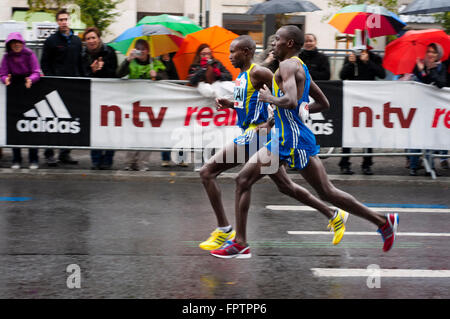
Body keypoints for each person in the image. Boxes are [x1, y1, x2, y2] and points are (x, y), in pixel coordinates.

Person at [210, 26, 398, 259]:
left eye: (277, 39)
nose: (273, 43)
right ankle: (382, 221)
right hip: (285, 137)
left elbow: (288, 100)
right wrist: (286, 113)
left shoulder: (288, 65)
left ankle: (240, 243)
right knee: (254, 181)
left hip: (292, 140)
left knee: (318, 191)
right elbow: (322, 103)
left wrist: (271, 99)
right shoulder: (300, 66)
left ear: (289, 44)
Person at [198, 35, 273, 251]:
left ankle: (225, 230)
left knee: (207, 172)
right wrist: (230, 103)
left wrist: (270, 122)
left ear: (248, 52)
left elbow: (286, 98)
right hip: (253, 133)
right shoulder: (241, 75)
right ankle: (333, 213)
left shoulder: (259, 71)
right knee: (287, 187)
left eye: (234, 52)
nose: (230, 56)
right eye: (229, 52)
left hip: (257, 134)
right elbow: (247, 103)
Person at [117, 39, 167, 171]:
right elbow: (119, 74)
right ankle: (129, 162)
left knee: (147, 135)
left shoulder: (155, 63)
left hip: (150, 105)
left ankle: (142, 163)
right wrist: (127, 60)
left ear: (148, 50)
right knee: (132, 134)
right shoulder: (131, 62)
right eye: (138, 49)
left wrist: (157, 75)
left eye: (143, 49)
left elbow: (167, 78)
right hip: (133, 104)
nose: (141, 52)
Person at [40, 8, 82, 166]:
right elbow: (44, 62)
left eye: (66, 19)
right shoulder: (51, 41)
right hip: (55, 87)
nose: (64, 22)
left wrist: (81, 78)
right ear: (57, 22)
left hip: (73, 87)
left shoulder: (77, 40)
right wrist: (52, 79)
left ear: (69, 20)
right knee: (53, 120)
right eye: (61, 20)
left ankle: (65, 153)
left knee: (70, 121)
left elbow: (79, 62)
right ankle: (49, 153)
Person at [339, 47, 386, 175]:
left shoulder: (375, 58)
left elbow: (382, 74)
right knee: (349, 132)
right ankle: (345, 163)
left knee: (369, 133)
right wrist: (351, 63)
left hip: (369, 103)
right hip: (352, 101)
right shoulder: (351, 57)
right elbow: (342, 75)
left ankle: (367, 163)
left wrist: (368, 62)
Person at [188, 44, 233, 170]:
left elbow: (229, 76)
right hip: (201, 109)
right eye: (203, 54)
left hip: (215, 108)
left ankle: (214, 165)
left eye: (208, 53)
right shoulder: (194, 66)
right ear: (199, 55)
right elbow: (191, 80)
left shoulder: (216, 63)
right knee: (200, 135)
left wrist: (218, 74)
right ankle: (200, 164)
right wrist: (202, 70)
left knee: (217, 135)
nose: (206, 56)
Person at [0, 32, 41, 169]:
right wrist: (5, 79)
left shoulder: (29, 54)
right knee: (15, 127)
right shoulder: (6, 56)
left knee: (31, 126)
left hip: (29, 91)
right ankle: (16, 159)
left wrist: (31, 79)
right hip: (14, 93)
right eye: (13, 42)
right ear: (9, 45)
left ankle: (33, 159)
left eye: (18, 42)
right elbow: (3, 73)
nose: (16, 44)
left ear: (22, 43)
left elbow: (36, 71)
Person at [80, 26, 118, 170]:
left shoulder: (110, 52)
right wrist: (92, 71)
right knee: (95, 128)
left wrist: (104, 68)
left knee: (109, 129)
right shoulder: (83, 54)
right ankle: (96, 160)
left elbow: (114, 74)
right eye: (88, 38)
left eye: (93, 37)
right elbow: (83, 76)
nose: (91, 41)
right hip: (93, 97)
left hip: (109, 97)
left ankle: (108, 159)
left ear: (99, 38)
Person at [408, 43, 448, 176]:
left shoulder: (441, 67)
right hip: (418, 105)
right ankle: (413, 166)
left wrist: (428, 72)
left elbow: (441, 83)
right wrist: (422, 70)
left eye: (433, 52)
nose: (430, 54)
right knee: (416, 135)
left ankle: (429, 166)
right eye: (429, 51)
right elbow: (417, 83)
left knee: (430, 136)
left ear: (438, 55)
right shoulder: (419, 65)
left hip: (434, 108)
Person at [160, 53, 187, 168]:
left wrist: (169, 62)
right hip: (163, 101)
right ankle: (165, 158)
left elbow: (176, 78)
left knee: (180, 130)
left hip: (176, 99)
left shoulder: (175, 59)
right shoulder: (155, 62)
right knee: (165, 130)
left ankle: (181, 158)